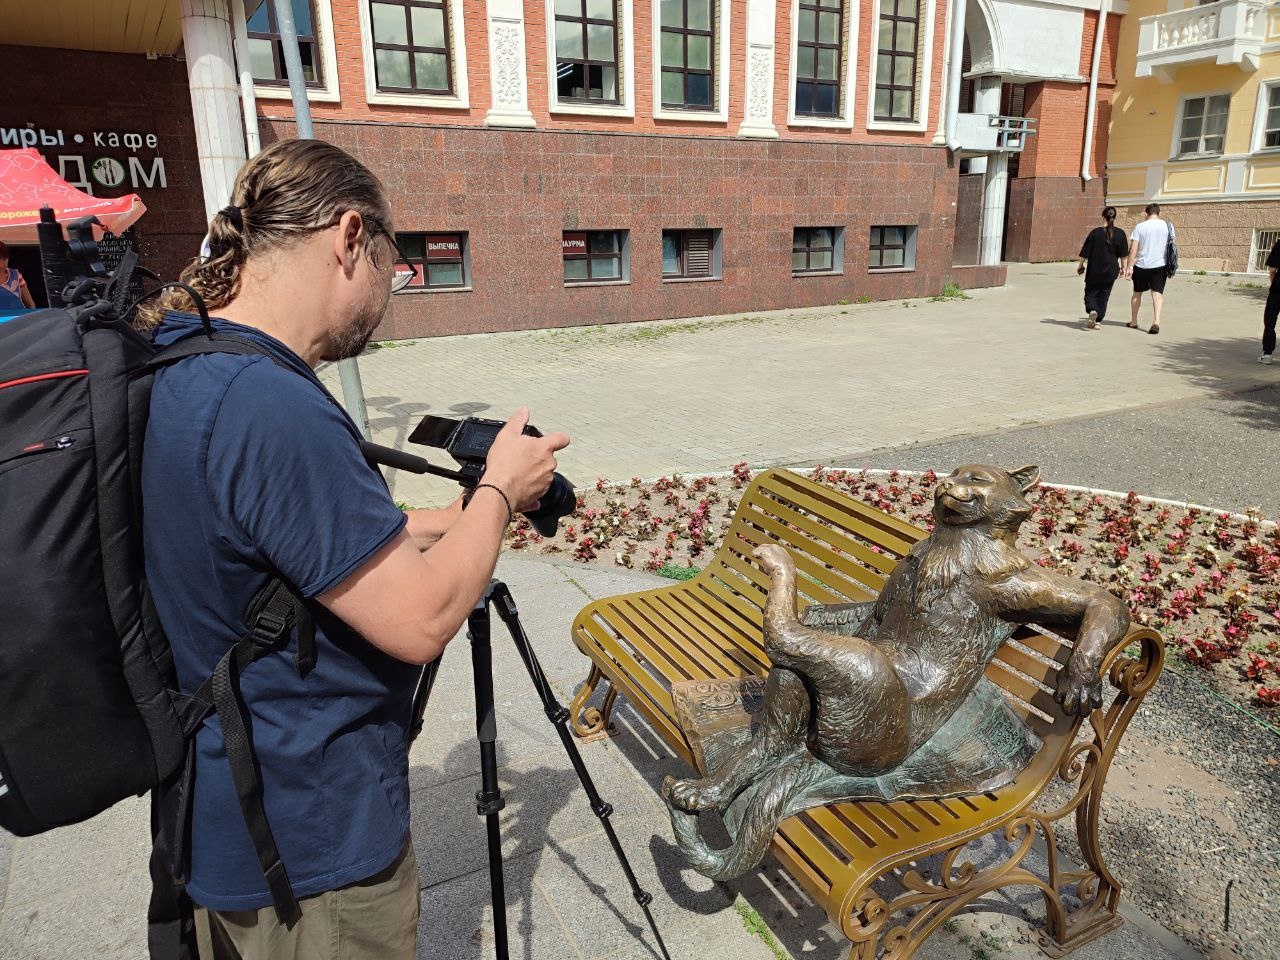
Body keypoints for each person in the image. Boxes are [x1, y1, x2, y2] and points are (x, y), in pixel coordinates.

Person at [139, 138, 569, 960]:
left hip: (229, 810)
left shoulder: (185, 358)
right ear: (348, 237)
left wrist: (446, 518)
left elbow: (274, 542)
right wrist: (499, 490)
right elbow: (421, 618)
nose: (389, 294)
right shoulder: (271, 406)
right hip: (310, 847)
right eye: (391, 265)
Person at [1075, 206, 1128, 329]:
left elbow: (1085, 252)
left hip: (1094, 269)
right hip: (1111, 270)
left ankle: (1092, 309)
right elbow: (1124, 255)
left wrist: (1080, 265)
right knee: (1104, 294)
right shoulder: (1120, 234)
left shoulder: (1095, 233)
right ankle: (1098, 320)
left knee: (1090, 292)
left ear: (1103, 216)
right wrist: (1124, 268)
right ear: (1114, 217)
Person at [1123, 202, 1171, 335]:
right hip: (1160, 265)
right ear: (1159, 213)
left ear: (1146, 213)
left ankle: (1133, 322)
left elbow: (1133, 248)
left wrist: (1129, 267)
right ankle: (1156, 322)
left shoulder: (1140, 227)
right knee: (1157, 294)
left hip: (1142, 265)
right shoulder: (1167, 226)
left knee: (1137, 293)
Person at [0, 240, 36, 310]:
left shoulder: (16, 275)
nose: (5, 262)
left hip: (17, 318)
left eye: (6, 258)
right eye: (1, 259)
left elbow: (29, 303)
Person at [1261, 236, 1280, 364]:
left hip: (1278, 290)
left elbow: (1272, 269)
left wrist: (1274, 284)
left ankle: (1267, 355)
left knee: (1270, 321)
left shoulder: (1279, 245)